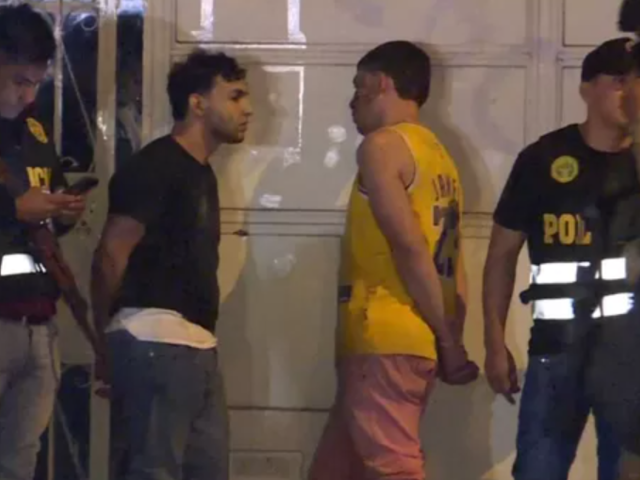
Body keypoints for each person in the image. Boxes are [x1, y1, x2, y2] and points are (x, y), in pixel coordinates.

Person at [309, 40, 478, 480]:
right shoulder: (439, 158)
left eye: (357, 87)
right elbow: (453, 259)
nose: (352, 102)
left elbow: (410, 247)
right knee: (334, 469)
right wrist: (449, 334)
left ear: (380, 82)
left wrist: (449, 342)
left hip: (382, 335)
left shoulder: (382, 147)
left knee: (394, 468)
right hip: (412, 340)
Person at [90, 49, 251, 480]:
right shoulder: (155, 166)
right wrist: (107, 339)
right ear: (197, 103)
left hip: (195, 345)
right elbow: (110, 254)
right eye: (234, 96)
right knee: (153, 468)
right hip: (154, 338)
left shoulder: (200, 172)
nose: (247, 109)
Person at [483, 37, 637, 480]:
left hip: (631, 362)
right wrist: (494, 342)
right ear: (586, 88)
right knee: (538, 471)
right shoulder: (543, 160)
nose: (630, 92)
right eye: (619, 81)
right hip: (557, 353)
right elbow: (501, 255)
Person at [0, 4, 89, 480]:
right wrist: (14, 210)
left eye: (36, 82)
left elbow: (46, 203)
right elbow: (19, 210)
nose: (28, 94)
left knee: (20, 460)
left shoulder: (33, 131)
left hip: (38, 320)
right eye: (18, 80)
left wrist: (62, 211)